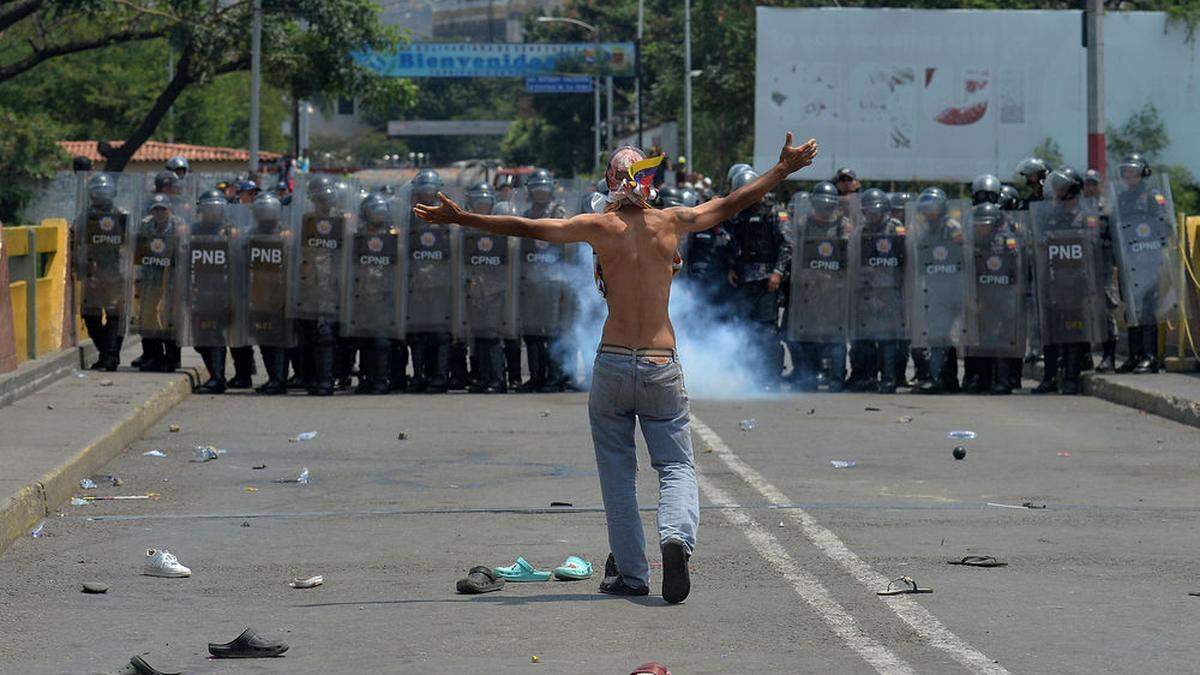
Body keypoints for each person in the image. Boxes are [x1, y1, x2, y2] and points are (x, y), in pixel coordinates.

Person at [415, 132, 820, 605]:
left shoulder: (598, 227)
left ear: (611, 182)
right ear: (649, 181)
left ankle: (631, 573)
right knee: (675, 466)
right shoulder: (671, 222)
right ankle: (675, 539)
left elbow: (525, 225)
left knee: (617, 474)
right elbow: (733, 202)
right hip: (659, 362)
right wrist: (782, 170)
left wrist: (461, 217)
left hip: (610, 362)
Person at [1112, 153, 1174, 374]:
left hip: (1149, 260)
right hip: (1129, 260)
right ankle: (1134, 355)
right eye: (1126, 171)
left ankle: (1149, 357)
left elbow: (1164, 224)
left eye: (1133, 171)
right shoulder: (1121, 198)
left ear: (1143, 173)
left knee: (1148, 309)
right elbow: (1116, 226)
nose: (1129, 175)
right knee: (1131, 309)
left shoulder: (1152, 195)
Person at [786, 180, 848, 392]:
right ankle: (809, 377)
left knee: (835, 336)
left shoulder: (842, 225)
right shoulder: (804, 224)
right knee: (809, 335)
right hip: (809, 289)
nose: (824, 206)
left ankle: (837, 378)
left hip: (834, 290)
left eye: (828, 202)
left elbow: (849, 256)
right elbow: (796, 253)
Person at [515, 168, 569, 393]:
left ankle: (554, 377)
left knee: (553, 332)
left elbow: (569, 248)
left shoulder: (559, 213)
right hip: (530, 281)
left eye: (543, 189)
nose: (539, 193)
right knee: (532, 333)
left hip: (553, 281)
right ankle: (536, 377)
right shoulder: (526, 215)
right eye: (535, 189)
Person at [847, 188, 905, 393]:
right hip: (866, 291)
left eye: (875, 210)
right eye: (868, 211)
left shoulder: (896, 229)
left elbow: (905, 260)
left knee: (888, 339)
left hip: (889, 290)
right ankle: (867, 377)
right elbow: (854, 260)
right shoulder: (861, 230)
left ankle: (889, 379)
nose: (872, 214)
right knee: (866, 338)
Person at [910, 187, 965, 395]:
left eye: (931, 208)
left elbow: (960, 258)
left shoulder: (952, 228)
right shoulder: (926, 230)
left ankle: (945, 379)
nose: (927, 212)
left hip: (951, 288)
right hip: (933, 289)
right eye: (925, 209)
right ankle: (942, 378)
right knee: (936, 335)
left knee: (943, 335)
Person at [460, 183, 515, 394]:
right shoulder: (466, 228)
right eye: (478, 202)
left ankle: (497, 380)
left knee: (492, 337)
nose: (481, 206)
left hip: (494, 290)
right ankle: (483, 378)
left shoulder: (499, 226)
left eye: (485, 202)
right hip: (474, 289)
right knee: (479, 336)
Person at [404, 169, 455, 393]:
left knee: (442, 334)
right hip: (415, 284)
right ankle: (419, 375)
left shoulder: (448, 214)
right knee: (416, 334)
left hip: (441, 283)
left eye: (431, 191)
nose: (427, 195)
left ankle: (440, 376)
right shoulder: (408, 216)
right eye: (423, 191)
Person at [75, 174, 131, 371]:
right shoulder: (85, 217)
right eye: (97, 191)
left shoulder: (122, 216)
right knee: (90, 317)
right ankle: (107, 353)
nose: (101, 195)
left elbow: (132, 243)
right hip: (93, 273)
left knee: (115, 316)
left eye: (104, 191)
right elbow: (77, 241)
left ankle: (111, 357)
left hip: (116, 272)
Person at [128, 195, 184, 372]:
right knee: (149, 318)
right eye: (156, 209)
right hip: (151, 278)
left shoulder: (179, 226)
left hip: (172, 280)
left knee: (170, 319)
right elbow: (139, 252)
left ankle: (173, 359)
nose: (159, 213)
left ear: (170, 210)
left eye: (163, 209)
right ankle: (155, 357)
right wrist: (138, 278)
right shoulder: (145, 226)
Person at [1083, 169, 1119, 372]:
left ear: (1100, 186)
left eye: (1093, 184)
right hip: (1081, 267)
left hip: (1102, 265)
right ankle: (1084, 357)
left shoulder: (1107, 209)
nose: (1090, 188)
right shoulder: (1076, 208)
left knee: (1106, 311)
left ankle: (1109, 357)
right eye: (1087, 184)